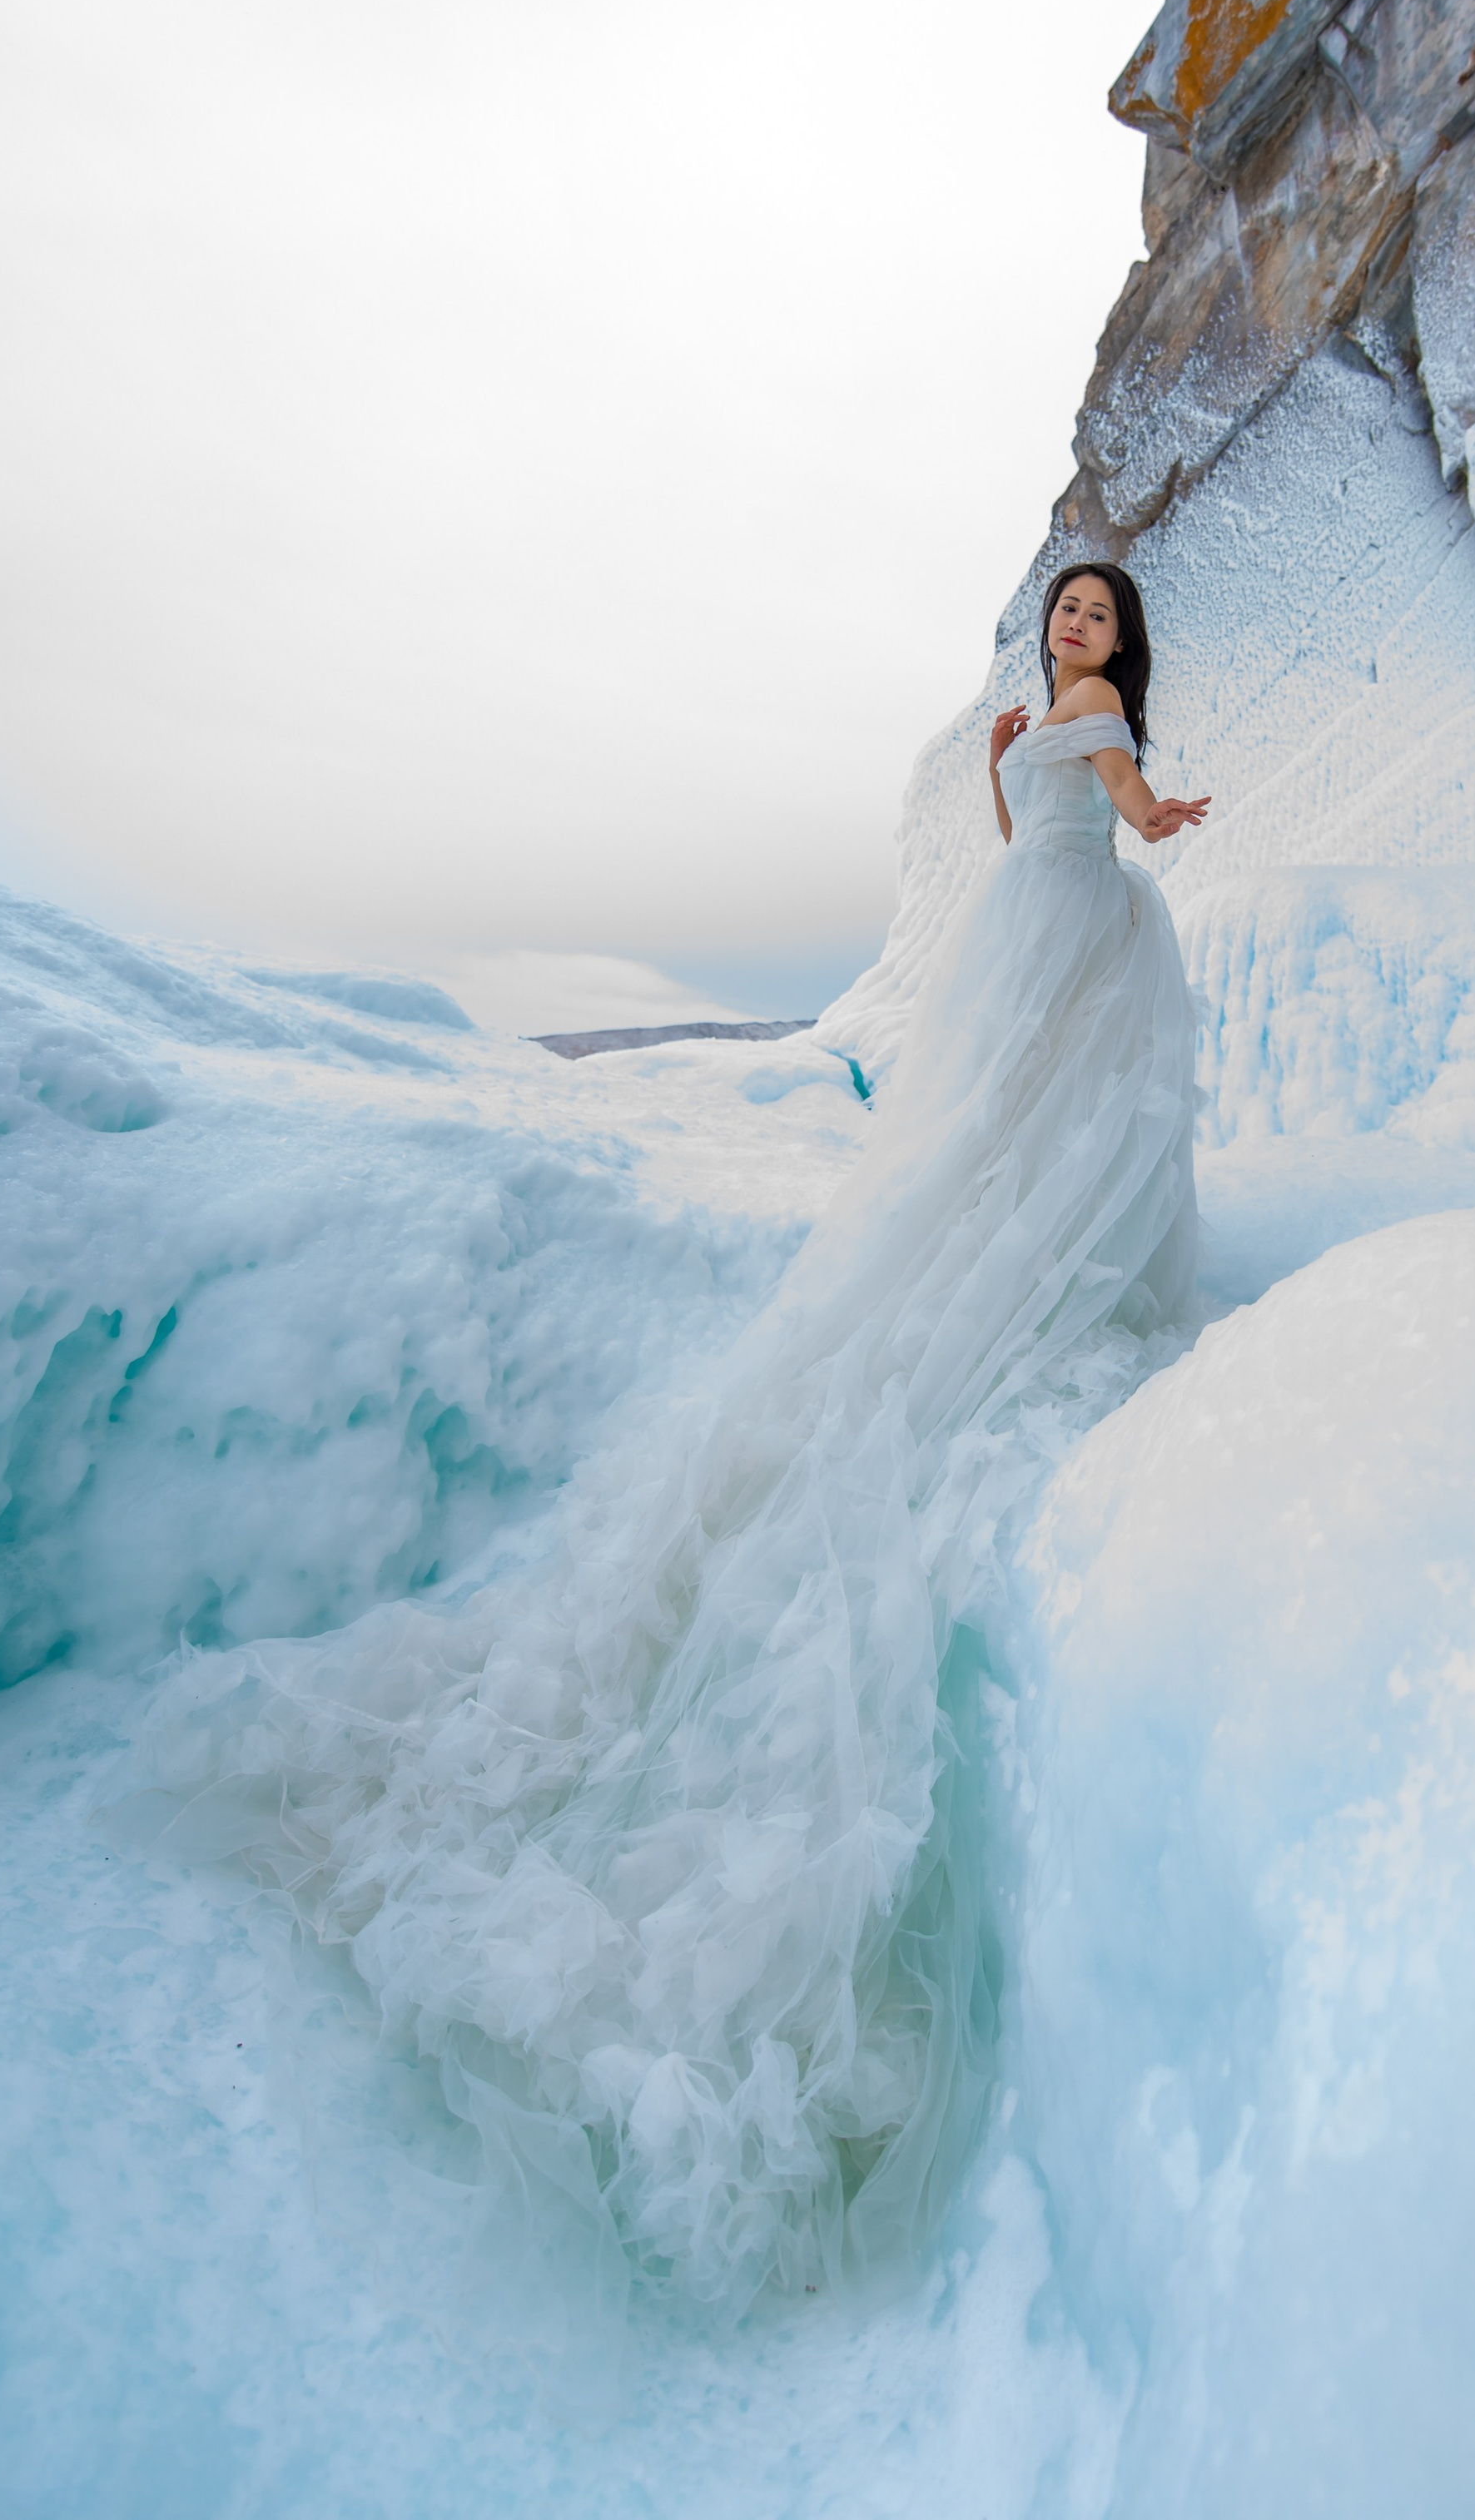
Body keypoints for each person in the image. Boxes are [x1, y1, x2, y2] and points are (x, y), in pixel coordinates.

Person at [123, 561, 1209, 2316]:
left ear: (1120, 642)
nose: (1077, 628)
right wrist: (1027, 770)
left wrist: (1129, 796)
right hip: (1046, 927)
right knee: (1021, 1131)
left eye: (1096, 614)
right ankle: (1043, 1270)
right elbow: (1062, 820)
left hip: (1066, 933)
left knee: (1018, 1128)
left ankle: (1029, 1265)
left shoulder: (1090, 716)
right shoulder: (1048, 719)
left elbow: (1132, 814)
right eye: (1066, 611)